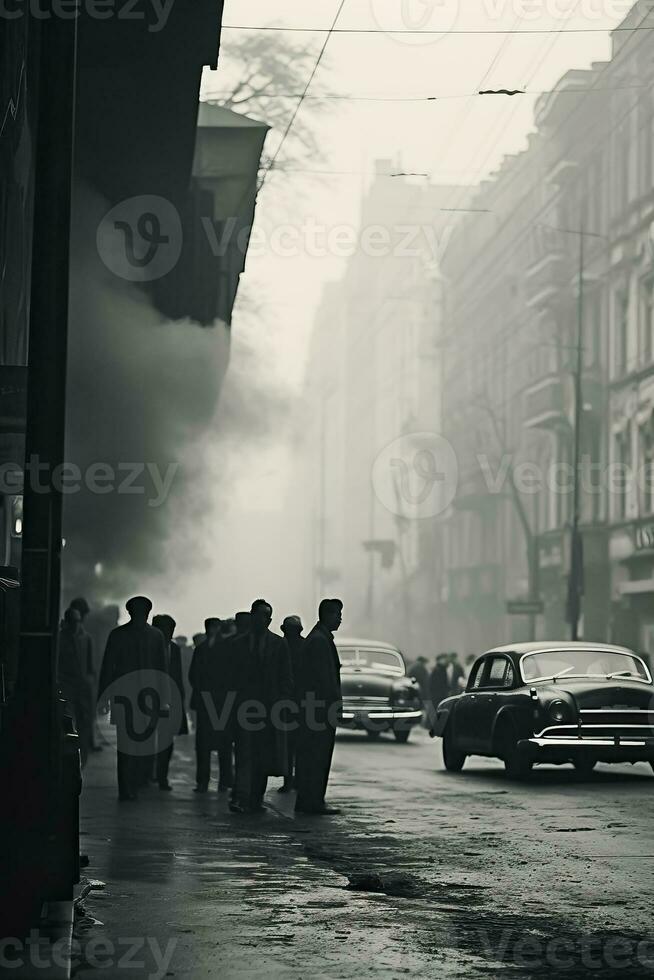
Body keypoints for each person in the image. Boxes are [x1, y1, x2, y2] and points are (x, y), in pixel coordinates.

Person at [98, 596, 170, 802]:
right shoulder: (156, 636)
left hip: (124, 697)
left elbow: (107, 669)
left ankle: (127, 787)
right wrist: (163, 699)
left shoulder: (117, 635)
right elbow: (162, 669)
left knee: (126, 745)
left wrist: (103, 698)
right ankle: (134, 785)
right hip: (148, 699)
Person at [231, 600, 292, 814]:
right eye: (257, 616)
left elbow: (285, 677)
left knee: (263, 755)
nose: (261, 620)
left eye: (265, 617)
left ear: (269, 620)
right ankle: (241, 797)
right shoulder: (238, 644)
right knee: (244, 753)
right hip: (244, 707)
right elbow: (231, 678)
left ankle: (255, 799)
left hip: (268, 708)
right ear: (252, 616)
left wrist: (282, 704)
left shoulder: (278, 644)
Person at [295, 598, 343, 816]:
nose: (340, 618)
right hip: (319, 710)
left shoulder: (318, 638)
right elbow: (325, 681)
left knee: (312, 756)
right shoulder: (320, 641)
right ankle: (313, 801)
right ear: (327, 615)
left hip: (314, 709)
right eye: (337, 614)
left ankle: (310, 799)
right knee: (317, 756)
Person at [189, 618, 234, 794]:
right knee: (212, 744)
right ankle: (215, 781)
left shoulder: (203, 649)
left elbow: (194, 675)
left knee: (216, 744)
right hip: (217, 701)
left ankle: (213, 781)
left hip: (214, 701)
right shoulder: (225, 647)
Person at [152, 614, 188, 791]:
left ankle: (161, 776)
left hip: (171, 700)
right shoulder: (150, 646)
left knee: (167, 740)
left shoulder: (175, 649)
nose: (170, 633)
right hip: (151, 699)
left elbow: (178, 677)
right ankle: (152, 774)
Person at [58, 607, 90, 767]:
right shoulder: (60, 639)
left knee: (84, 723)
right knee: (70, 723)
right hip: (66, 686)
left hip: (82, 688)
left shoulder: (86, 639)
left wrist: (89, 682)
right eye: (73, 621)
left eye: (77, 621)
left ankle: (82, 757)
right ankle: (72, 758)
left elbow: (90, 665)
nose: (75, 624)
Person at [69, 596, 101, 753]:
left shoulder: (85, 636)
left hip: (82, 682)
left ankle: (87, 741)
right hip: (74, 682)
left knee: (86, 716)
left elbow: (89, 663)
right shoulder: (72, 634)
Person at [278, 615, 305, 793]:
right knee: (299, 744)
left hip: (284, 702)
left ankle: (288, 780)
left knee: (287, 744)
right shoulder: (306, 646)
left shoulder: (279, 646)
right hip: (303, 701)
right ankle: (297, 779)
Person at [428, 654, 450, 728]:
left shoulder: (439, 668)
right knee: (437, 709)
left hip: (438, 693)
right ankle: (435, 725)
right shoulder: (439, 669)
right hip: (438, 694)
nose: (445, 660)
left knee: (437, 709)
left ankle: (435, 725)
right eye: (444, 659)